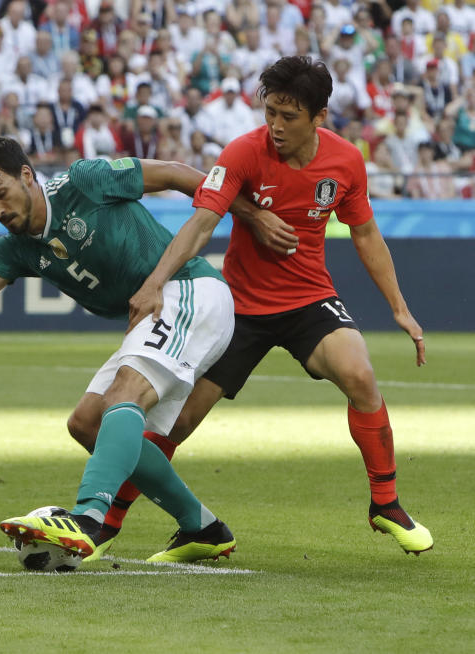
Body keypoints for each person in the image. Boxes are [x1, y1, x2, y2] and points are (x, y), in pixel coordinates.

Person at [0, 136, 275, 564]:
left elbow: (174, 173)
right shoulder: (18, 248)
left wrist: (251, 215)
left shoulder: (85, 181)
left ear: (27, 175)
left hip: (190, 289)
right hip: (154, 312)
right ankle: (203, 528)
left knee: (124, 393)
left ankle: (87, 518)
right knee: (86, 423)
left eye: (0, 194)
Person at [111, 55, 433, 556]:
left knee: (361, 376)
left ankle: (385, 504)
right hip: (238, 309)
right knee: (176, 422)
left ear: (319, 117)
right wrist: (156, 282)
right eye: (271, 113)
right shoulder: (241, 153)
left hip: (310, 299)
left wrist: (400, 308)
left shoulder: (346, 161)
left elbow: (365, 233)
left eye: (290, 117)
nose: (277, 127)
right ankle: (109, 525)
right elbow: (200, 222)